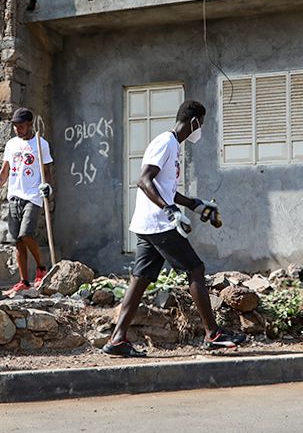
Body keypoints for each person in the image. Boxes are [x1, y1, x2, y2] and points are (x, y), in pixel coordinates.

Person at [103, 100, 246, 358]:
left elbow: (165, 187)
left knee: (140, 279)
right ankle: (213, 334)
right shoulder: (165, 143)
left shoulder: (172, 146)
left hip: (150, 224)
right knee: (195, 268)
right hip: (159, 223)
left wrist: (194, 204)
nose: (200, 129)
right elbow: (144, 180)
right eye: (200, 124)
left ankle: (117, 339)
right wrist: (169, 211)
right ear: (192, 122)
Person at [0, 107, 53, 296]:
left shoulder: (41, 144)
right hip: (14, 195)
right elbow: (4, 171)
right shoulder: (11, 144)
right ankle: (24, 281)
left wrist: (47, 186)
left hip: (33, 195)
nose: (18, 129)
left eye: (21, 126)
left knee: (26, 234)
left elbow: (47, 170)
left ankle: (41, 267)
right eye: (15, 126)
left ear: (30, 125)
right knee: (17, 241)